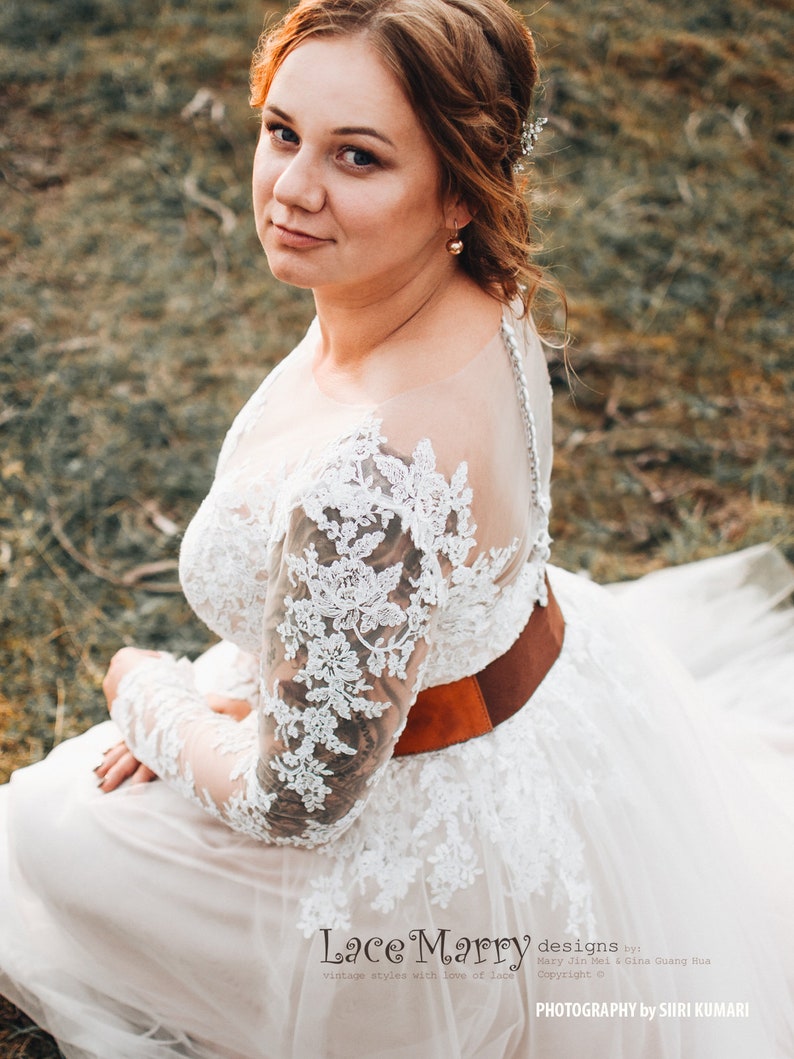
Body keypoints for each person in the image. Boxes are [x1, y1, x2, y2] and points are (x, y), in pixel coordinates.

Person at [1, 0, 793, 1055]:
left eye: (357, 158)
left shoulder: (367, 485)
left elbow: (295, 804)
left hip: (415, 862)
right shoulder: (478, 293)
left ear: (457, 188)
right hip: (535, 691)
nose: (290, 189)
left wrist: (143, 689)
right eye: (281, 132)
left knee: (43, 830)